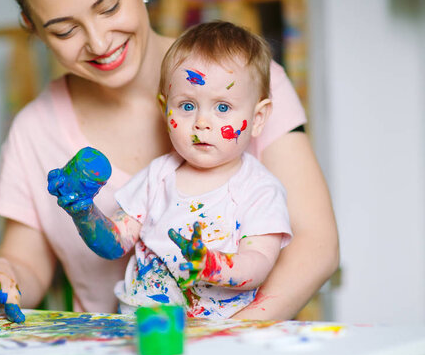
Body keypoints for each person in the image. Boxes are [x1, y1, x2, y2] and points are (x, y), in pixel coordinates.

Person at [0, 0, 338, 330]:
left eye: (109, 6)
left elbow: (316, 244)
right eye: (65, 30)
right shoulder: (33, 128)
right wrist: (1, 272)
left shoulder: (242, 84)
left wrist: (224, 340)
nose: (100, 43)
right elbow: (26, 262)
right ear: (32, 26)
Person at [47, 22, 292, 318]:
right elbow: (114, 245)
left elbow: (258, 264)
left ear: (258, 118)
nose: (202, 122)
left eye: (223, 108)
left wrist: (211, 265)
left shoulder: (259, 190)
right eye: (187, 106)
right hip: (143, 326)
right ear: (165, 110)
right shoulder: (157, 178)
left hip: (218, 337)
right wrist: (83, 210)